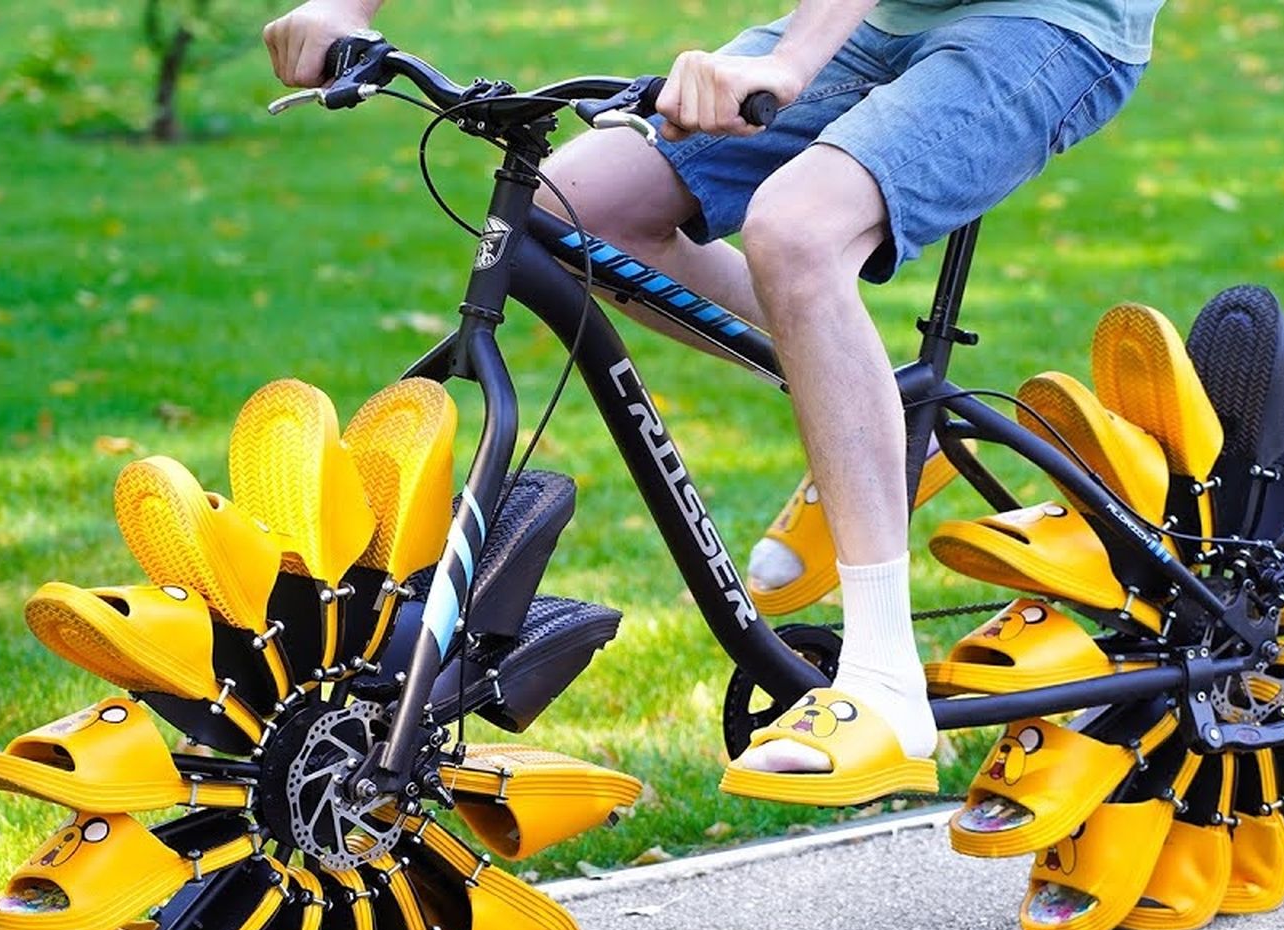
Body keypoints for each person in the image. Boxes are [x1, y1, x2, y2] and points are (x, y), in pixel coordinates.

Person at [264, 0, 1158, 803]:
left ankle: (884, 682)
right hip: (882, 21)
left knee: (798, 229)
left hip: (1046, 21)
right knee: (573, 206)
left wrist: (791, 62)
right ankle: (879, 423)